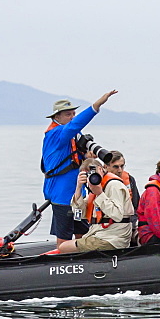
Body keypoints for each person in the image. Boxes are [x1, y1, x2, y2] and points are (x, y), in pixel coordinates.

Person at [41, 90, 118, 246]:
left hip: (78, 195)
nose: (72, 117)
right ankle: (62, 263)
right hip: (62, 196)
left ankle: (81, 260)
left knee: (82, 232)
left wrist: (88, 158)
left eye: (73, 113)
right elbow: (75, 125)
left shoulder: (71, 136)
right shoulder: (55, 134)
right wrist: (96, 106)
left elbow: (74, 160)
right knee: (64, 237)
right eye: (68, 114)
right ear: (57, 117)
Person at [55, 158, 135, 253]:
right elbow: (79, 214)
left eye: (93, 172)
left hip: (113, 238)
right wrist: (78, 188)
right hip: (99, 234)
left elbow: (117, 215)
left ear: (101, 169)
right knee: (66, 245)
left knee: (64, 247)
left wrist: (100, 194)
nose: (92, 177)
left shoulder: (113, 185)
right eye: (87, 175)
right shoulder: (94, 187)